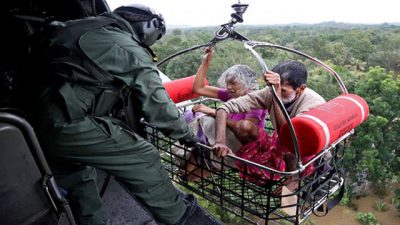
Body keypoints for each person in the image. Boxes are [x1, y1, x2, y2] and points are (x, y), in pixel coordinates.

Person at [32, 4, 201, 225]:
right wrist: (187, 136)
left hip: (34, 120)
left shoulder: (81, 27)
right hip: (66, 123)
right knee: (143, 157)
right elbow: (159, 106)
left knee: (79, 179)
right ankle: (183, 218)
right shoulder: (126, 47)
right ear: (149, 27)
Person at [213, 60, 326, 186]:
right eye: (272, 89)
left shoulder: (314, 104)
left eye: (283, 91)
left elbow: (289, 136)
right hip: (281, 142)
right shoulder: (271, 92)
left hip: (303, 150)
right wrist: (220, 142)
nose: (275, 93)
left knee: (291, 144)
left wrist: (276, 96)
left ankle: (294, 177)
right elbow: (224, 108)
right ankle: (265, 169)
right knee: (243, 126)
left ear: (300, 89)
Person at [181, 46, 267, 180]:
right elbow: (199, 88)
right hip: (216, 142)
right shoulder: (231, 95)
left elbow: (244, 129)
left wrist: (213, 112)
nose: (228, 87)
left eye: (233, 83)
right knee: (185, 172)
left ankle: (197, 168)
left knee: (202, 166)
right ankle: (187, 171)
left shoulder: (255, 102)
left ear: (246, 84)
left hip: (238, 146)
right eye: (227, 83)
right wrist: (206, 62)